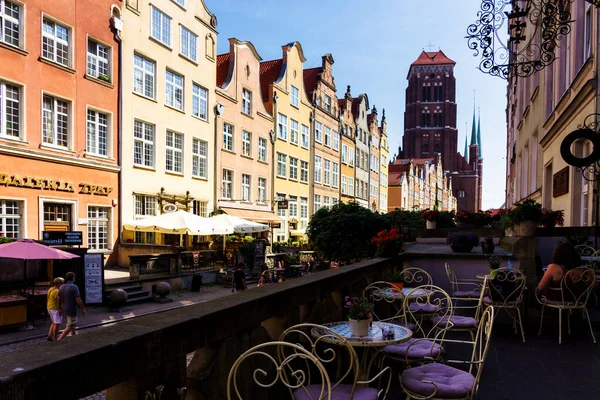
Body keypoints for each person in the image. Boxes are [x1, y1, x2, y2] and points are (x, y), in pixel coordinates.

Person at [57, 272, 86, 340]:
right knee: (71, 324)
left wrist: (59, 308)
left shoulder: (61, 287)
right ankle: (59, 340)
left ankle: (74, 338)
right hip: (71, 309)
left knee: (72, 324)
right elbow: (78, 299)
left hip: (64, 308)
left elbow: (58, 299)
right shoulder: (74, 287)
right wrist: (83, 308)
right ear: (72, 278)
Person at [46, 277, 64, 341]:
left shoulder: (51, 289)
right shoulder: (57, 291)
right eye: (62, 283)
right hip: (55, 308)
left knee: (53, 322)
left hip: (50, 307)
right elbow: (59, 300)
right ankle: (55, 338)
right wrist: (60, 309)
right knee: (57, 323)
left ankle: (49, 335)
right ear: (59, 283)